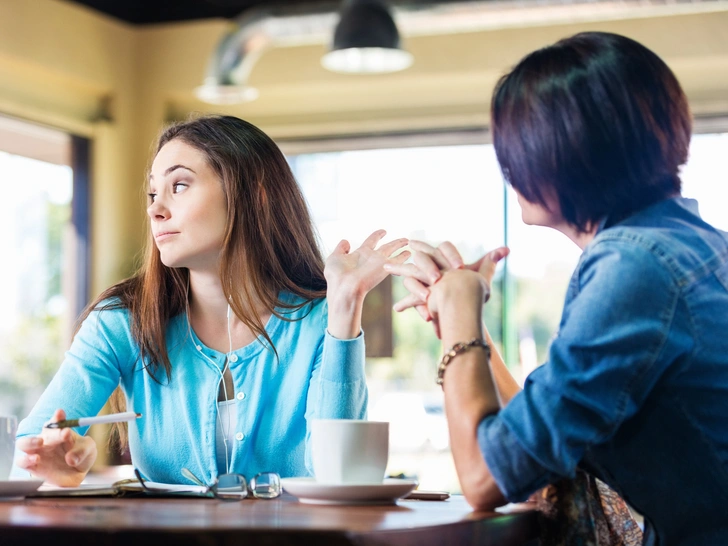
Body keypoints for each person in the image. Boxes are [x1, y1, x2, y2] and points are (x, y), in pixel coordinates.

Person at [386, 32, 728, 545]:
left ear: (562, 150)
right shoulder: (691, 247)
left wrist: (459, 310)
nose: (508, 168)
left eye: (514, 147)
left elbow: (485, 478)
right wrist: (467, 324)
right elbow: (539, 429)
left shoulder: (632, 268)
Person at [13, 115, 408, 487]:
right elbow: (33, 442)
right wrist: (49, 458)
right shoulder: (122, 321)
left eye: (179, 185)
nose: (155, 208)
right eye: (152, 192)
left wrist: (343, 308)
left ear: (256, 194)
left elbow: (340, 476)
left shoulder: (320, 322)